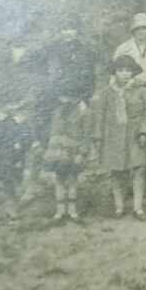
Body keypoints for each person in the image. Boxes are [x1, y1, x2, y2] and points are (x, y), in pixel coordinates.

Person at [92, 54, 146, 219]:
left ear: (133, 72)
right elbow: (100, 116)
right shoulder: (107, 92)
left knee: (139, 169)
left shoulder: (142, 90)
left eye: (128, 70)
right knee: (117, 172)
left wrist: (144, 131)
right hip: (114, 136)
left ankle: (138, 208)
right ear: (115, 72)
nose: (125, 74)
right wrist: (98, 136)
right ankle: (119, 207)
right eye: (121, 70)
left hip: (135, 135)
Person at [42, 93, 92, 222]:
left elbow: (86, 134)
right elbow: (53, 131)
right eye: (63, 97)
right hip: (58, 150)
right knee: (59, 179)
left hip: (73, 150)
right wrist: (51, 151)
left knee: (72, 180)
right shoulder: (57, 112)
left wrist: (82, 152)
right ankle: (60, 211)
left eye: (69, 97)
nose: (65, 100)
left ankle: (72, 210)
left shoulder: (83, 112)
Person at [113, 12, 146, 86]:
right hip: (128, 87)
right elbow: (114, 74)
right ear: (133, 30)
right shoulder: (122, 49)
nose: (140, 31)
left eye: (144, 28)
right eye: (137, 28)